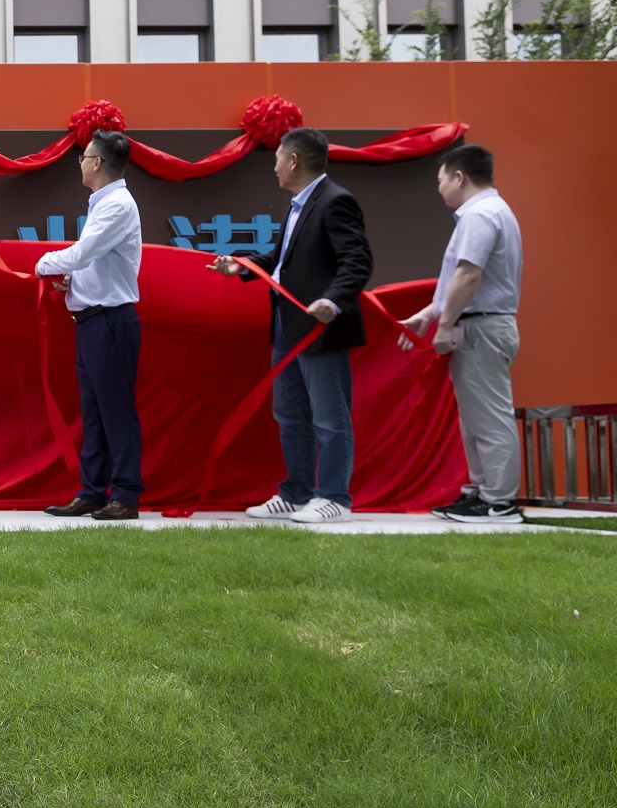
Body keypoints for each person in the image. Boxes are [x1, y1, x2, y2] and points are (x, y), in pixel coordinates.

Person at [209, 126, 374, 524]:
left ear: (294, 160)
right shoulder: (300, 204)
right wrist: (242, 266)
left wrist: (333, 300)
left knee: (329, 417)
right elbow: (282, 261)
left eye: (278, 159)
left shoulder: (335, 201)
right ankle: (296, 493)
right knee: (290, 414)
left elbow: (358, 260)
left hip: (319, 328)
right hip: (288, 326)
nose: (275, 167)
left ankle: (334, 498)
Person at [398, 145, 525, 524]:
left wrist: (445, 325)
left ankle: (499, 501)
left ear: (459, 177)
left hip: (481, 327)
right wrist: (430, 314)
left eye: (440, 180)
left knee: (489, 418)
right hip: (483, 324)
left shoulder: (479, 215)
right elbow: (466, 277)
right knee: (477, 418)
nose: (439, 189)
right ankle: (483, 494)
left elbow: (469, 275)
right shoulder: (492, 212)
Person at [38, 130, 146, 521]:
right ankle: (93, 491)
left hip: (110, 322)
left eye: (84, 157)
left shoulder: (116, 205)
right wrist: (72, 281)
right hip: (91, 321)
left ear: (97, 163)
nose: (81, 163)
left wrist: (45, 264)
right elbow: (97, 263)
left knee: (115, 410)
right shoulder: (104, 203)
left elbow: (83, 253)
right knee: (95, 412)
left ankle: (126, 495)